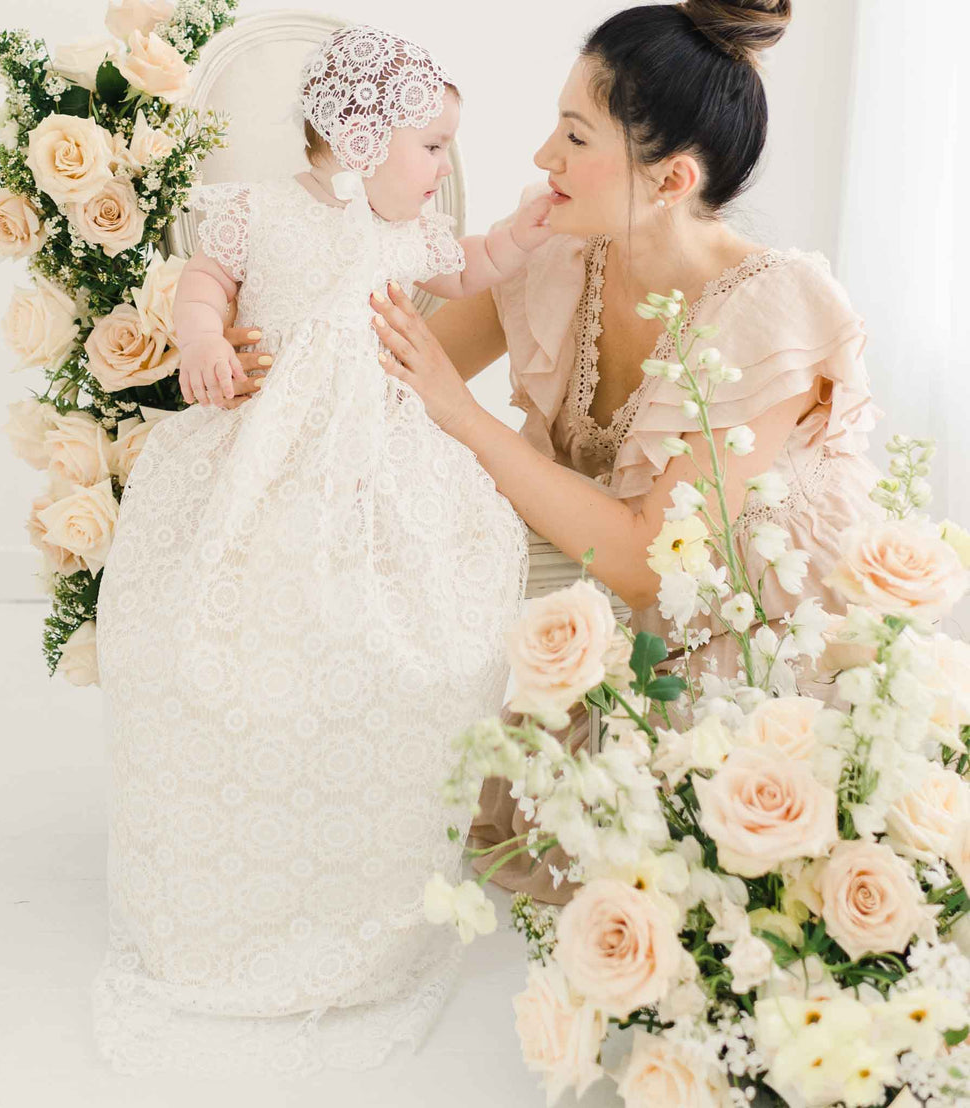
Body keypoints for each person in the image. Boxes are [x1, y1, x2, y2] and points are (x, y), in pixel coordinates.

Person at [91, 24, 552, 1076]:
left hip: (381, 459)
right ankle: (225, 875)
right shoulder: (258, 210)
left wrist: (524, 231)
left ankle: (361, 869)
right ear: (358, 135)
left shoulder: (415, 229)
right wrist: (204, 339)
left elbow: (474, 264)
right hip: (266, 449)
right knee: (219, 628)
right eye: (430, 145)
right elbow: (206, 280)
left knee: (406, 631)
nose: (442, 171)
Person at [358, 0, 886, 905]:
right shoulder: (560, 247)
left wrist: (463, 415)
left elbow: (650, 565)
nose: (541, 159)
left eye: (573, 136)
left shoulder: (775, 311)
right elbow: (399, 362)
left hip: (737, 634)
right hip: (589, 583)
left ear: (673, 177)